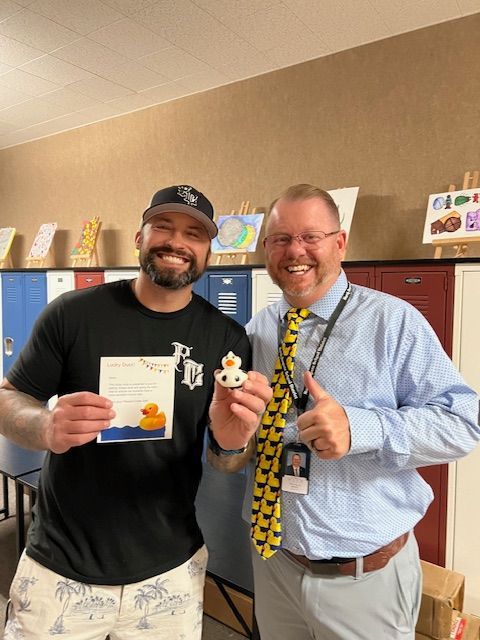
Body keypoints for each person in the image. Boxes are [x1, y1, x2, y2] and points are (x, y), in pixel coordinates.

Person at [0, 184, 272, 640]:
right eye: (162, 226)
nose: (176, 242)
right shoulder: (73, 313)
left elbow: (227, 459)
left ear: (207, 250)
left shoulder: (226, 338)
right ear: (139, 237)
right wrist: (45, 426)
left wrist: (232, 441)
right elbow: (9, 398)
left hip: (170, 574)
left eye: (194, 233)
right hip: (60, 569)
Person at [242, 183, 480, 640]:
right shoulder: (259, 328)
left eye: (311, 236)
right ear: (267, 248)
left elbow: (463, 422)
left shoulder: (393, 321)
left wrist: (361, 427)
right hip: (275, 562)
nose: (296, 251)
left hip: (363, 577)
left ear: (340, 242)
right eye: (281, 239)